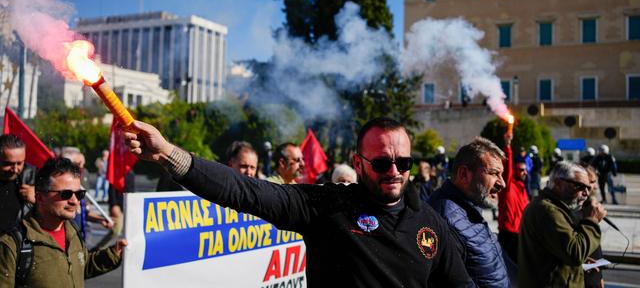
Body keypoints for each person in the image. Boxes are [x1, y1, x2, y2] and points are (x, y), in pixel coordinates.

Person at [124, 117, 473, 287]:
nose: (394, 171)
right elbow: (244, 191)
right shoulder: (326, 204)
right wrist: (170, 154)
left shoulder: (429, 222)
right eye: (382, 163)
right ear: (358, 164)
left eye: (404, 162)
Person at [0, 157, 126, 287]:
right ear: (40, 197)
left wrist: (113, 254)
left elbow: (80, 267)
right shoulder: (12, 245)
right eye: (66, 194)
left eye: (79, 194)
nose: (74, 201)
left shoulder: (72, 230)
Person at [428, 137, 509, 288]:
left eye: (501, 174)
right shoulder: (445, 219)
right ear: (464, 174)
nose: (502, 183)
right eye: (493, 173)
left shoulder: (470, 205)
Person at [518, 161, 605, 288]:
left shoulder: (554, 208)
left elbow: (554, 252)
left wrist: (577, 267)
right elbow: (575, 252)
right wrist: (591, 220)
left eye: (588, 187)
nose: (586, 193)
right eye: (580, 186)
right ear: (559, 183)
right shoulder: (548, 211)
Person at [497, 133, 528, 265]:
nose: (525, 173)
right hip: (508, 234)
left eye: (525, 170)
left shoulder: (523, 189)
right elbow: (506, 170)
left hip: (520, 234)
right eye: (521, 170)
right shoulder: (508, 187)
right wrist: (508, 146)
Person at [0, 134, 35, 231]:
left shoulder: (33, 178)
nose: (15, 169)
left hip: (19, 242)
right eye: (8, 164)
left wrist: (38, 200)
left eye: (20, 163)